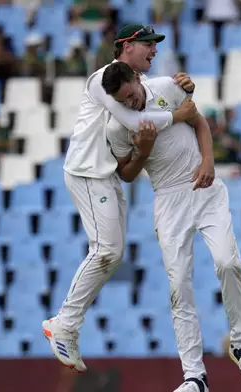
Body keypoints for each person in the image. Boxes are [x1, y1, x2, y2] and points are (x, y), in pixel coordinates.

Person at [42, 24, 198, 373]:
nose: (154, 50)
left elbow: (159, 102)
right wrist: (177, 115)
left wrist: (183, 87)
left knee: (112, 254)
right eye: (148, 44)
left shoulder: (135, 82)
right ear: (126, 46)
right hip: (87, 171)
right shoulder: (103, 79)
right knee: (107, 251)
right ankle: (64, 324)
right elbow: (133, 120)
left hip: (106, 173)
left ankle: (67, 323)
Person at [102, 61, 241, 392]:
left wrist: (208, 160)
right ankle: (194, 376)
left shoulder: (166, 87)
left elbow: (199, 122)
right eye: (123, 101)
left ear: (138, 79)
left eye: (132, 95)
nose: (131, 103)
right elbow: (127, 173)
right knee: (179, 285)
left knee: (229, 262)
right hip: (168, 199)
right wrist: (143, 151)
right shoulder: (116, 126)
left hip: (205, 188)